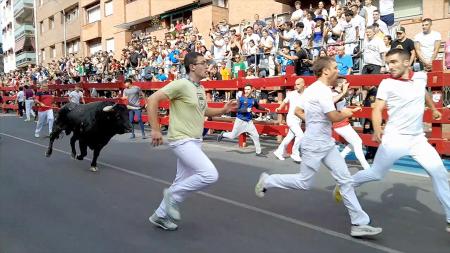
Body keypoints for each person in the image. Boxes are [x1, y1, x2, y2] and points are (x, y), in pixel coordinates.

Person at [254, 56, 382, 237]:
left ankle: (359, 223)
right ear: (326, 71)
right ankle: (268, 181)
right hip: (314, 144)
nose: (339, 70)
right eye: (336, 67)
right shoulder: (320, 91)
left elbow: (303, 111)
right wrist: (344, 113)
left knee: (345, 180)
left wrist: (317, 119)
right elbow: (333, 116)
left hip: (326, 143)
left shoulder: (317, 90)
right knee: (304, 182)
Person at [343, 48, 450, 233]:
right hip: (394, 139)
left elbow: (423, 91)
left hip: (417, 140)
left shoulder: (420, 77)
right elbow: (377, 109)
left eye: (393, 62)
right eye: (388, 63)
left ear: (407, 62)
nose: (389, 66)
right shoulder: (387, 83)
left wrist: (432, 108)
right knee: (376, 174)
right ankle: (346, 184)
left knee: (440, 174)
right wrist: (377, 129)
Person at [146, 52, 236, 230]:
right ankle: (172, 197)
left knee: (181, 180)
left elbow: (203, 111)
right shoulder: (181, 84)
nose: (207, 66)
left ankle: (159, 215)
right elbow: (152, 99)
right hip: (181, 139)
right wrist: (155, 129)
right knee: (210, 174)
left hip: (194, 141)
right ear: (192, 67)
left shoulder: (200, 88)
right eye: (203, 63)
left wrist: (223, 109)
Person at [217, 84, 270, 156]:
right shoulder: (241, 99)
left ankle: (258, 152)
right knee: (232, 136)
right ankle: (223, 134)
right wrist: (246, 110)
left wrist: (265, 109)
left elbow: (257, 106)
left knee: (256, 136)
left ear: (252, 90)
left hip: (249, 122)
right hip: (240, 121)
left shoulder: (253, 100)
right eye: (245, 89)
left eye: (248, 89)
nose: (246, 91)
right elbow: (237, 109)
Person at [332, 77, 370, 170]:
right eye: (346, 83)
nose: (348, 84)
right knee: (358, 142)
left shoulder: (339, 94)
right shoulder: (333, 93)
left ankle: (340, 158)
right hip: (339, 124)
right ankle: (366, 167)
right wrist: (343, 92)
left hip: (343, 122)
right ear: (340, 84)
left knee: (354, 142)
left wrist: (353, 110)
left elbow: (343, 108)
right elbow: (332, 101)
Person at [273, 78, 305, 162]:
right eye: (295, 84)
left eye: (298, 84)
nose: (296, 86)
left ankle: (279, 151)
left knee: (289, 137)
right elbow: (284, 101)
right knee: (301, 135)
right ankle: (295, 153)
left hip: (299, 119)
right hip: (291, 118)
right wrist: (279, 108)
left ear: (303, 84)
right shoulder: (291, 94)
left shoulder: (307, 94)